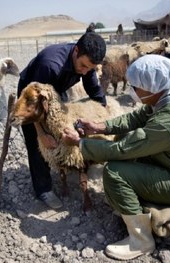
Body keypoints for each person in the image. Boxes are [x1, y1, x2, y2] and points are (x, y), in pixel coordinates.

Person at [61, 54, 170, 260]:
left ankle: (141, 240)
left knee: (115, 172)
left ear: (152, 87)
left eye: (136, 87)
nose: (132, 91)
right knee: (122, 138)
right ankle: (134, 202)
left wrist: (79, 143)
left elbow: (122, 150)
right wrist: (100, 126)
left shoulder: (169, 121)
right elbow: (136, 117)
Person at [17, 32, 107, 209]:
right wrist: (41, 133)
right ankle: (43, 189)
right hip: (31, 98)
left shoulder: (86, 63)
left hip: (57, 89)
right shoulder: (49, 65)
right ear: (76, 51)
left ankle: (64, 167)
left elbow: (93, 88)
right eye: (83, 66)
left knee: (60, 128)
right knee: (38, 144)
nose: (85, 71)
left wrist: (102, 113)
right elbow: (35, 106)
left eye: (89, 68)